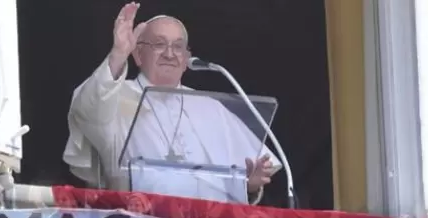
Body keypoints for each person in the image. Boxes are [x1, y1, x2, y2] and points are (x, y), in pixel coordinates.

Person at [63, 2, 280, 204]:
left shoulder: (210, 107)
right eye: (159, 44)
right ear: (138, 54)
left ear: (186, 60)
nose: (170, 54)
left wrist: (247, 186)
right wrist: (118, 54)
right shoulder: (115, 97)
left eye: (178, 47)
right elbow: (87, 110)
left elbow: (237, 179)